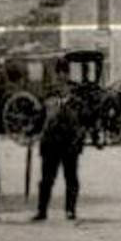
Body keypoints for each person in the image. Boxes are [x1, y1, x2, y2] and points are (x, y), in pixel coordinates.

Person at [33, 90, 86, 222]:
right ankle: (42, 210)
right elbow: (37, 123)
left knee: (71, 179)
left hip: (69, 146)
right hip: (51, 146)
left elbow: (83, 124)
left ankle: (70, 210)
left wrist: (78, 144)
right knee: (46, 180)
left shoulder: (77, 103)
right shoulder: (48, 103)